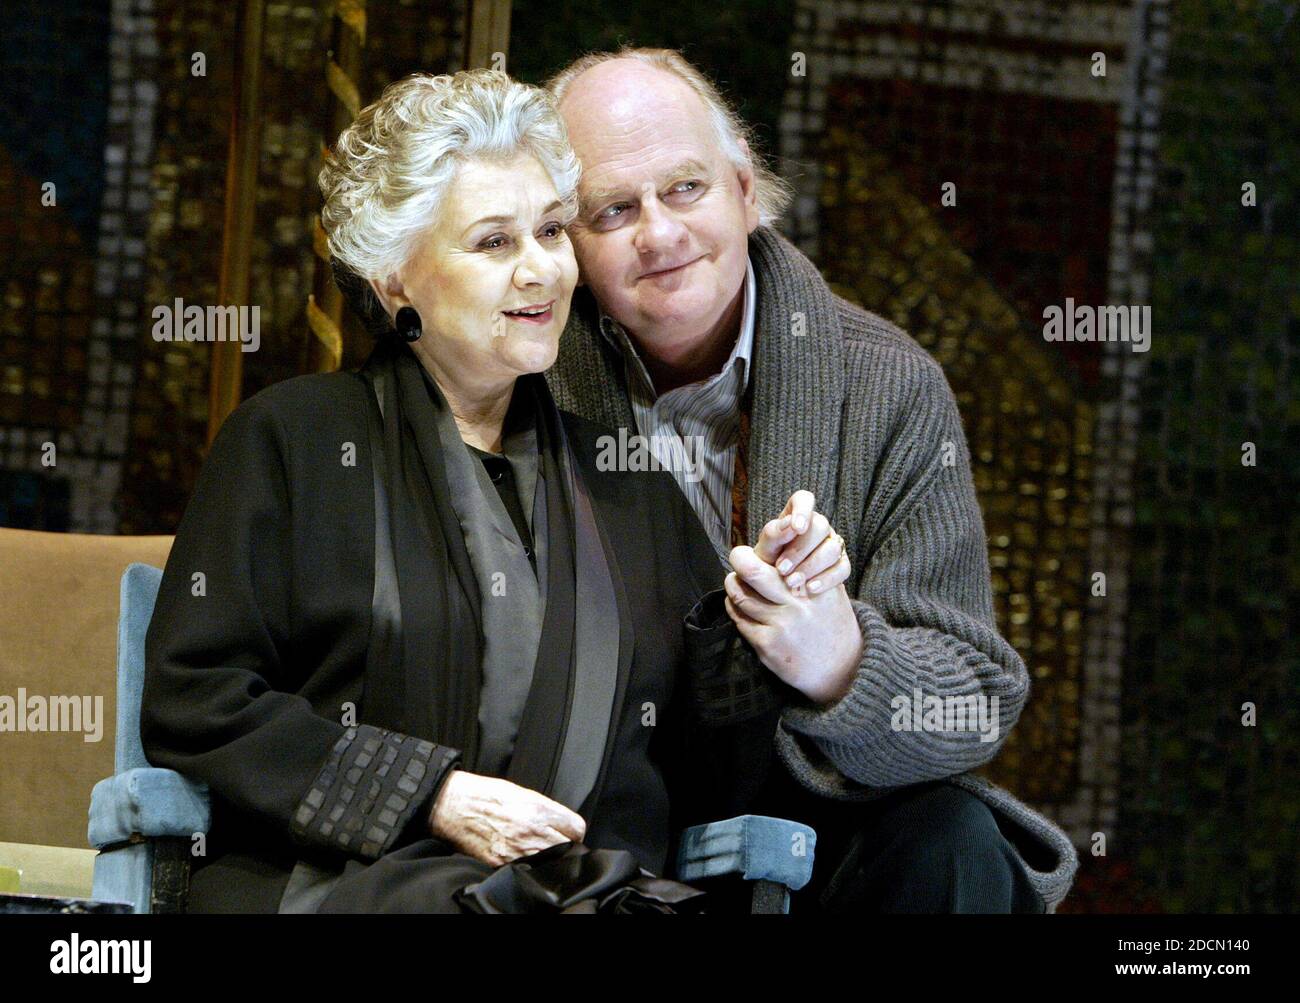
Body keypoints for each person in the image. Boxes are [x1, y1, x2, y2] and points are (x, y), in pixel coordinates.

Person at [139, 68, 849, 913]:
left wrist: (774, 614)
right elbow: (196, 700)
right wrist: (429, 794)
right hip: (338, 888)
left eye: (551, 231)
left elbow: (709, 768)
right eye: (493, 243)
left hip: (586, 895)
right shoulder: (292, 440)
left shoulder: (627, 482)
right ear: (394, 278)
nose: (540, 272)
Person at [543, 47, 1080, 912]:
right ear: (561, 240)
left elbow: (972, 703)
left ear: (747, 191)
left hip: (820, 835)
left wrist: (840, 660)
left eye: (686, 189)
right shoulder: (517, 372)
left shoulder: (889, 385)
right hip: (593, 816)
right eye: (612, 210)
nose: (660, 234)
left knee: (953, 842)